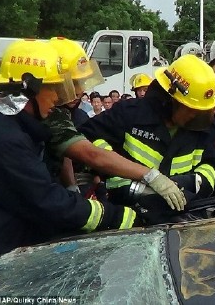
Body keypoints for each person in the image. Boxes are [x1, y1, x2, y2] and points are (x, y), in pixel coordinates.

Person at [0, 40, 138, 265]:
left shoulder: (16, 125)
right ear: (29, 90)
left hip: (5, 242)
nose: (61, 98)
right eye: (55, 89)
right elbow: (46, 201)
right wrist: (119, 217)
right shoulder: (3, 137)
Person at [43, 37, 189, 213]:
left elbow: (65, 150)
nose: (80, 91)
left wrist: (71, 186)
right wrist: (150, 175)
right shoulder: (49, 112)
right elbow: (88, 153)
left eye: (80, 82)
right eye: (72, 84)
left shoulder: (65, 109)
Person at [79, 54, 215, 209]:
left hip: (181, 213)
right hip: (125, 209)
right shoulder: (129, 114)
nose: (196, 115)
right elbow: (86, 138)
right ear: (170, 99)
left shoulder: (205, 129)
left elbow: (213, 165)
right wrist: (123, 172)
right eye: (190, 109)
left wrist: (190, 183)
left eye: (201, 111)